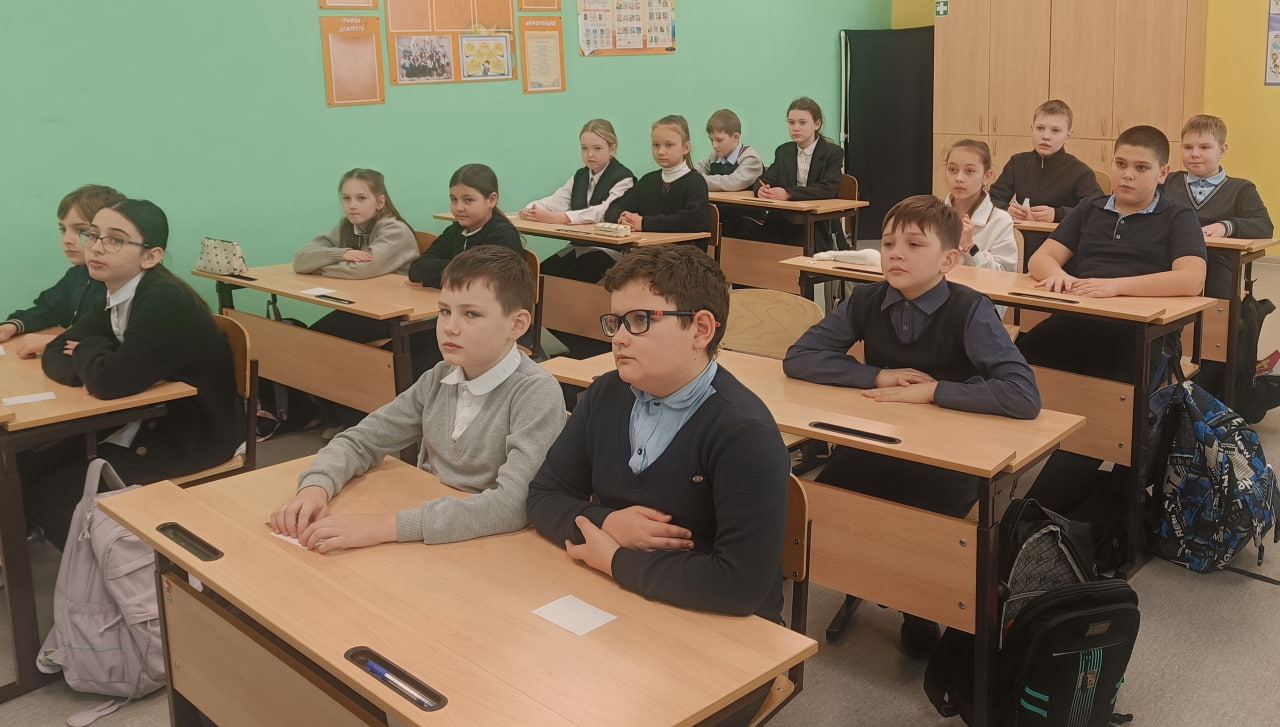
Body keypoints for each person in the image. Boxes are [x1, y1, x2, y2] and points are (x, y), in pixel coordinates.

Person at [783, 194, 1040, 657]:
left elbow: (1023, 395)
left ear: (948, 260)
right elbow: (800, 357)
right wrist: (876, 376)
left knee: (917, 527)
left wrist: (935, 390)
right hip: (878, 443)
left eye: (914, 245)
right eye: (887, 244)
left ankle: (917, 606)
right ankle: (860, 578)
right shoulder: (867, 299)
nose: (895, 254)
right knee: (824, 501)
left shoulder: (970, 309)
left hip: (948, 457)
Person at [525, 244, 789, 641]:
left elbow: (741, 585)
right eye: (615, 322)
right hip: (623, 598)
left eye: (639, 320)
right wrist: (608, 522)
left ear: (700, 330)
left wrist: (616, 560)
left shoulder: (744, 432)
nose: (619, 338)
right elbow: (544, 495)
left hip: (722, 628)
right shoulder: (605, 394)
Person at [270, 246, 565, 551]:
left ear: (517, 325)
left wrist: (387, 526)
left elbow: (512, 505)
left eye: (471, 314)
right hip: (428, 534)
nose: (449, 327)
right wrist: (316, 487)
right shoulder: (441, 376)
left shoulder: (535, 393)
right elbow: (363, 439)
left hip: (490, 547)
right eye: (445, 311)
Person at [23, 199, 241, 547]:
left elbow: (109, 381)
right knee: (24, 466)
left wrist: (91, 354)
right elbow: (56, 351)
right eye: (93, 235)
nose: (96, 247)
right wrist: (94, 368)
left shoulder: (163, 299)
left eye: (115, 240)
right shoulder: (114, 288)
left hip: (190, 434)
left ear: (150, 256)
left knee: (53, 496)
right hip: (141, 418)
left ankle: (110, 576)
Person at [1017, 125, 1208, 383]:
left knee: (1116, 384)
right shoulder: (1089, 208)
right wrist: (1060, 277)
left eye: (1141, 168)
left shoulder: (1179, 217)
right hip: (1079, 317)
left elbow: (1192, 279)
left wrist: (1115, 287)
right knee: (1017, 365)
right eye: (1121, 164)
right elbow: (1040, 259)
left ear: (1162, 173)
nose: (1127, 175)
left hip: (1144, 331)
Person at [294, 169, 420, 437]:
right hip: (362, 307)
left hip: (393, 314)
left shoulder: (394, 230)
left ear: (380, 201)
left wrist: (323, 266)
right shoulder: (346, 228)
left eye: (361, 198)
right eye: (346, 198)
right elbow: (301, 260)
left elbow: (362, 270)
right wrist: (342, 254)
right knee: (314, 339)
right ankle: (335, 416)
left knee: (335, 345)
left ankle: (354, 422)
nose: (352, 205)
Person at [1, 184, 125, 357]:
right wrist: (13, 325)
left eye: (82, 231)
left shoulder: (124, 282)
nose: (67, 240)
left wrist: (57, 342)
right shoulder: (79, 273)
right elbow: (49, 309)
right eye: (63, 229)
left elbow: (121, 342)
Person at [1162, 114, 1273, 299]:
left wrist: (1226, 226)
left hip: (1216, 265)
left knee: (1217, 291)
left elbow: (1264, 226)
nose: (1195, 153)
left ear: (1222, 150)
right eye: (1188, 147)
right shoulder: (1167, 182)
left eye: (1205, 147)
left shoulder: (1241, 189)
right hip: (1169, 259)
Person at [989, 99, 1103, 270]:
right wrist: (1006, 209)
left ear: (1068, 136)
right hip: (1018, 243)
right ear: (1032, 129)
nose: (1046, 136)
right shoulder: (1017, 163)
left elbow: (1096, 211)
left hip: (1061, 250)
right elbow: (989, 200)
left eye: (1055, 130)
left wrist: (1056, 214)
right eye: (1040, 128)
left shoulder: (1081, 172)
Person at [520, 119, 636, 282]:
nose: (590, 154)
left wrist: (561, 218)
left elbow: (604, 211)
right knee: (539, 275)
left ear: (612, 149)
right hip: (578, 246)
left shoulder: (624, 178)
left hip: (608, 250)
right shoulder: (580, 176)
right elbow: (559, 199)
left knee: (573, 279)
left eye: (597, 148)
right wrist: (531, 209)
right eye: (584, 148)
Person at [732, 97, 846, 250]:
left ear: (817, 124)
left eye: (802, 123)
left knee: (799, 240)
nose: (795, 128)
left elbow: (828, 189)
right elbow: (763, 179)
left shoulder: (833, 153)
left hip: (817, 222)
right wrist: (760, 190)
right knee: (743, 234)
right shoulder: (783, 151)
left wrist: (788, 193)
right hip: (785, 219)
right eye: (791, 123)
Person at [409, 163, 523, 288]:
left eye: (468, 200)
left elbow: (482, 284)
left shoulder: (503, 235)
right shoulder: (454, 231)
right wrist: (460, 271)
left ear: (492, 200)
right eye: (454, 199)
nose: (458, 208)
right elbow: (417, 270)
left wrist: (431, 280)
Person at [604, 115, 712, 245]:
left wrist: (644, 223)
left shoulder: (695, 182)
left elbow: (695, 220)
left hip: (683, 254)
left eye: (669, 145)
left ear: (685, 148)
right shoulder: (648, 181)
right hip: (648, 251)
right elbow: (614, 207)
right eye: (656, 145)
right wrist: (622, 218)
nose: (660, 151)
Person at [942, 139, 1017, 273]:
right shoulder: (933, 215)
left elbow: (1005, 274)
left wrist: (969, 247)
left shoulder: (1000, 220)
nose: (959, 178)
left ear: (986, 177)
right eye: (952, 170)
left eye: (970, 171)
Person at [693, 108, 764, 192]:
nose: (714, 145)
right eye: (711, 140)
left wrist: (696, 181)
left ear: (736, 137)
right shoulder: (715, 156)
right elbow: (697, 170)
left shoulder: (751, 159)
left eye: (719, 140)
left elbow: (733, 183)